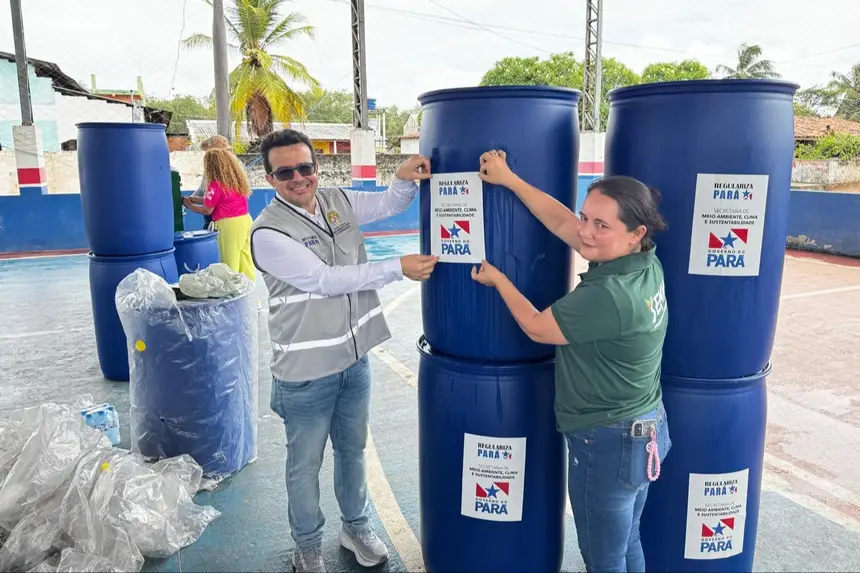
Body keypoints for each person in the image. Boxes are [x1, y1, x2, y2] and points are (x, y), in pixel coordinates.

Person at [471, 150, 672, 573]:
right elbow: (563, 223)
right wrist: (509, 179)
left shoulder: (610, 295)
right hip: (645, 428)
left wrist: (500, 279)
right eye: (587, 217)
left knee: (602, 559)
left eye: (602, 225)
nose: (586, 232)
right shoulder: (645, 263)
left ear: (636, 233)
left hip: (608, 440)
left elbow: (537, 328)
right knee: (625, 541)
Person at [249, 128, 439, 573]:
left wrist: (402, 176)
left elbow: (390, 204)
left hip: (354, 362)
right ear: (270, 177)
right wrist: (397, 268)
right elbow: (324, 280)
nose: (299, 178)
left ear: (316, 166)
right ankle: (307, 545)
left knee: (354, 452)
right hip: (305, 373)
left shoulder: (338, 200)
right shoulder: (268, 233)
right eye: (285, 172)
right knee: (304, 466)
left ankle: (355, 527)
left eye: (305, 167)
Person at [183, 148, 255, 281]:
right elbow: (221, 201)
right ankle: (249, 288)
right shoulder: (236, 181)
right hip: (245, 220)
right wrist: (196, 200)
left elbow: (207, 210)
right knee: (244, 259)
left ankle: (230, 292)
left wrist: (189, 205)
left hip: (228, 225)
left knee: (228, 262)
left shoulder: (215, 184)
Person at [191, 135, 231, 230]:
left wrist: (189, 204)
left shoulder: (227, 172)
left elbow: (208, 207)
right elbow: (202, 189)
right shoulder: (209, 171)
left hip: (220, 216)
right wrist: (191, 199)